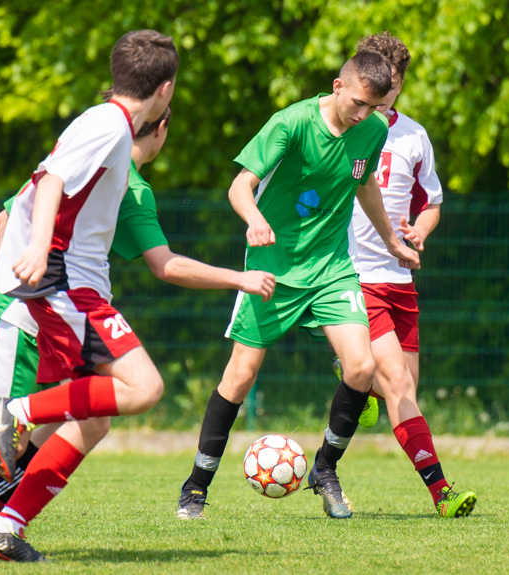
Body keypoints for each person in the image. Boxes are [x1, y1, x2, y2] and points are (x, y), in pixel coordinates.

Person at [0, 103, 274, 559]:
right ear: (161, 127)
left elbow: (6, 215)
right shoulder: (127, 185)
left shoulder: (86, 160)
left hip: (48, 314)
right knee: (11, 439)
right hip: (30, 319)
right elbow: (165, 264)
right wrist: (240, 278)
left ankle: (2, 519)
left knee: (91, 422)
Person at [176, 49, 419, 521]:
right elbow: (239, 186)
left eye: (374, 107)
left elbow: (364, 183)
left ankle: (324, 469)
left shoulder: (371, 130)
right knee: (240, 375)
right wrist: (254, 220)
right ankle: (196, 486)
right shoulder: (291, 123)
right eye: (358, 105)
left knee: (361, 367)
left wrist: (391, 240)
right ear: (337, 87)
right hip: (273, 269)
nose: (364, 116)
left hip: (331, 268)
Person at [0, 29, 182, 562]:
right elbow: (51, 179)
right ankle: (16, 411)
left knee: (94, 418)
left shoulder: (111, 124)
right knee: (145, 388)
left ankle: (4, 527)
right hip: (64, 278)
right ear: (166, 88)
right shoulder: (108, 124)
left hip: (71, 277)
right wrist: (40, 248)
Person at [344, 32, 476, 518]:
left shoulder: (414, 136)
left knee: (404, 390)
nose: (387, 92)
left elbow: (432, 202)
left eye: (395, 85)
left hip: (399, 279)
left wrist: (418, 231)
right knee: (399, 384)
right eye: (382, 82)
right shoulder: (345, 127)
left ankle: (360, 383)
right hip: (354, 276)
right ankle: (442, 491)